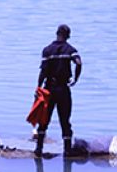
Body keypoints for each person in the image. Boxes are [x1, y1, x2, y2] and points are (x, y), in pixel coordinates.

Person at [34, 24, 82, 158]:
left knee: (44, 119)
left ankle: (39, 148)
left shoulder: (47, 50)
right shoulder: (70, 49)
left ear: (56, 33)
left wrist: (38, 88)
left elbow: (43, 71)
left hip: (49, 89)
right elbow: (78, 62)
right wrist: (75, 79)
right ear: (68, 36)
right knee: (65, 120)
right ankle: (67, 151)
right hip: (63, 89)